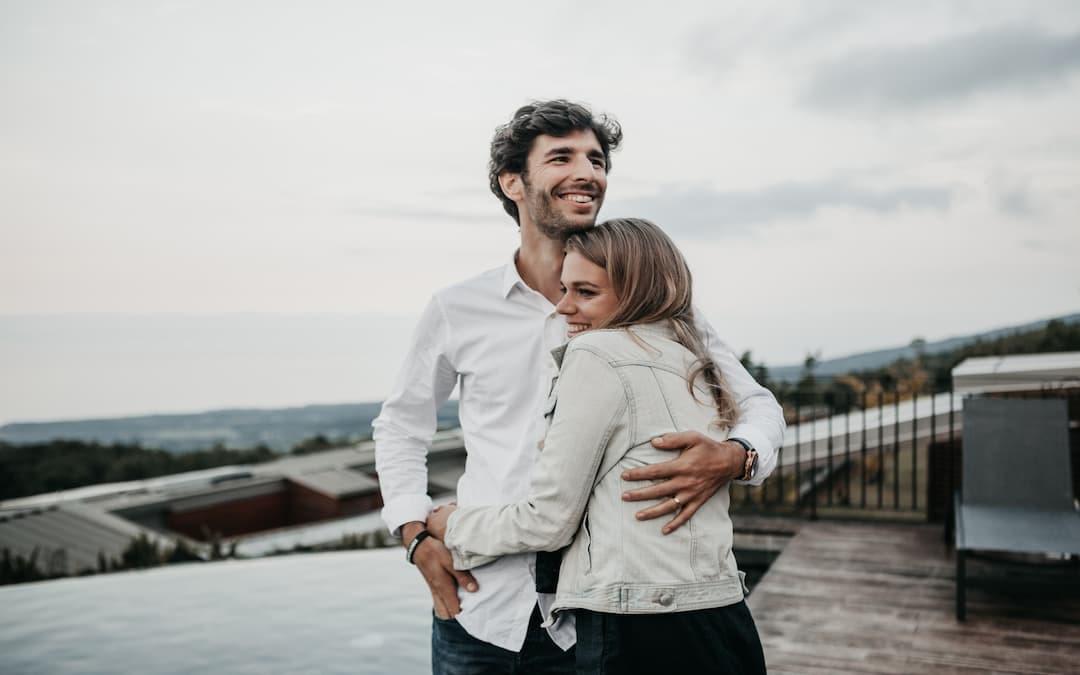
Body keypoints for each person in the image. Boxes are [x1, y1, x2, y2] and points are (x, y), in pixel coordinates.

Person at [373, 100, 785, 673]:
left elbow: (756, 403)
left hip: (599, 622)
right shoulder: (456, 308)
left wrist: (736, 456)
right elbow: (400, 427)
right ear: (512, 182)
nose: (587, 172)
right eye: (562, 157)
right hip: (480, 606)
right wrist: (414, 535)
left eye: (596, 159)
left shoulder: (656, 305)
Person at [427, 218, 768, 673]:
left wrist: (452, 526)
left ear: (639, 292)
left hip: (638, 628)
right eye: (565, 289)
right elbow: (760, 406)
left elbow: (549, 521)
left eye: (586, 293)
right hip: (722, 614)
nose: (564, 308)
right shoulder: (693, 358)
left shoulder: (595, 354)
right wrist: (739, 454)